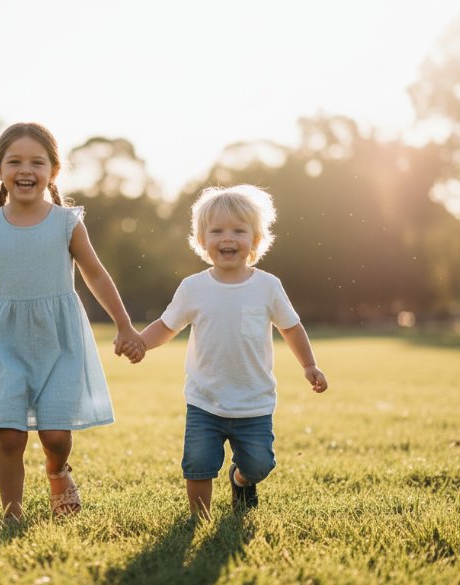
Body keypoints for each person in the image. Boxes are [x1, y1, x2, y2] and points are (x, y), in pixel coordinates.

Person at [0, 122, 144, 521]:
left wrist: (124, 325)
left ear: (53, 171)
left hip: (59, 339)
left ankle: (57, 470)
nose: (26, 169)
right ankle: (12, 514)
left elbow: (95, 273)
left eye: (37, 162)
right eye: (15, 161)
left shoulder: (66, 223)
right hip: (5, 341)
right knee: (9, 435)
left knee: (56, 436)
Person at [132, 184, 328, 519]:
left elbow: (290, 326)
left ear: (255, 240)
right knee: (197, 465)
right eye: (217, 231)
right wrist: (140, 342)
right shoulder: (194, 288)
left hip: (254, 402)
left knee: (259, 464)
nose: (228, 238)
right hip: (204, 400)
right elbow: (167, 326)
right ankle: (199, 518)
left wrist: (309, 364)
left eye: (239, 231)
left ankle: (240, 480)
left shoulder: (267, 286)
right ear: (202, 240)